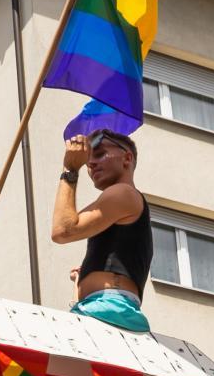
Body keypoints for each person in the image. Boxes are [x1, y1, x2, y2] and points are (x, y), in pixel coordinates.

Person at [51, 130, 152, 333]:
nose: (90, 163)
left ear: (127, 158)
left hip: (107, 307)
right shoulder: (119, 200)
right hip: (109, 307)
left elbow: (62, 230)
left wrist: (70, 168)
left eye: (99, 154)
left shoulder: (123, 193)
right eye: (88, 158)